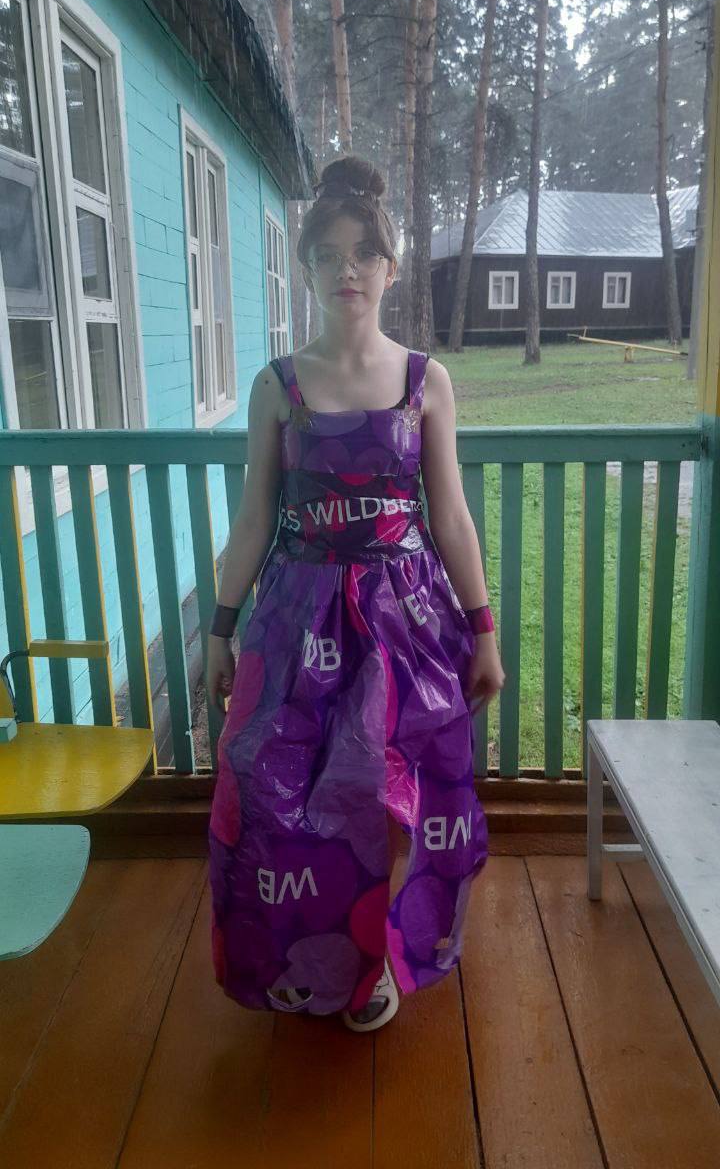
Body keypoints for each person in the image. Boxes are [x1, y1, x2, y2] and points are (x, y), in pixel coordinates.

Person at [206, 154, 505, 1033]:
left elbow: (450, 516)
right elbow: (253, 519)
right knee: (283, 789)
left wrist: (484, 629)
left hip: (405, 620)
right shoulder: (277, 385)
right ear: (305, 267)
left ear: (391, 266)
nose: (349, 270)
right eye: (329, 254)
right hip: (294, 621)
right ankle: (313, 956)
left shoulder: (425, 381)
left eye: (365, 253)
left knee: (394, 793)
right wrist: (220, 630)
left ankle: (375, 960)